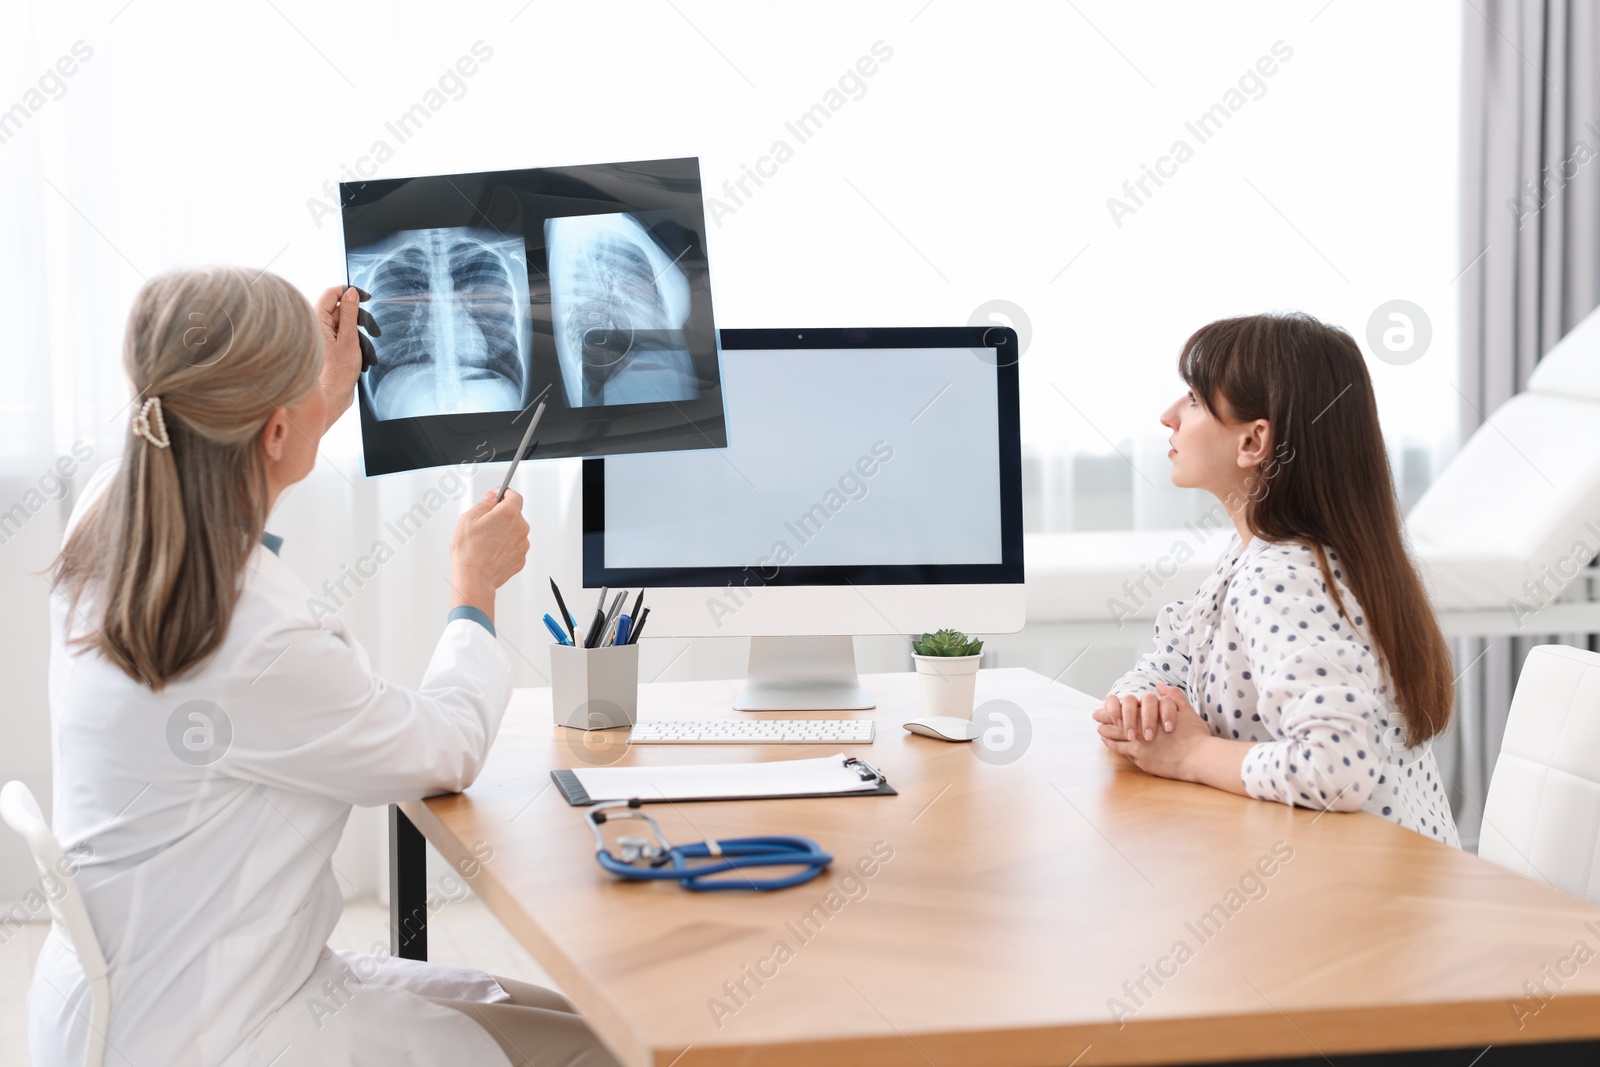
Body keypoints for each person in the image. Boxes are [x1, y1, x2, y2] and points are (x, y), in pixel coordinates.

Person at [36, 266, 621, 1066]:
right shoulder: (254, 635)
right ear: (276, 431)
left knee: (562, 1014)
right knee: (604, 1049)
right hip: (222, 1030)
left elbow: (223, 476)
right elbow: (443, 751)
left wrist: (313, 395)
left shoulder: (110, 513)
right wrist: (473, 590)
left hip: (132, 991)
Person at [1094, 313, 1459, 845]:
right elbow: (1175, 658)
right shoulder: (1258, 551)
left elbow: (1338, 770)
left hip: (1370, 901)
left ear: (1253, 442)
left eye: (1194, 399)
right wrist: (1137, 705)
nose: (1169, 416)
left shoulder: (1282, 577)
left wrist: (1189, 754)